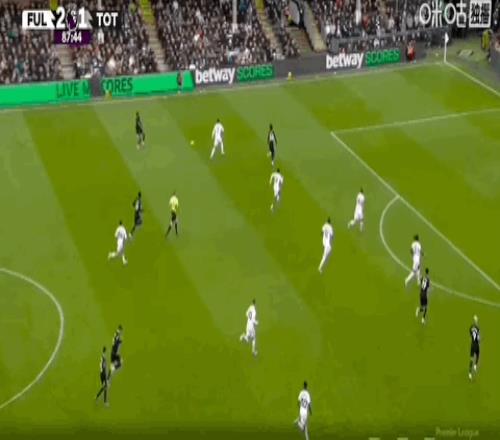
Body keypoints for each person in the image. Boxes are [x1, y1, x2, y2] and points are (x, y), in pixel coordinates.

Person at [469, 315, 480, 380]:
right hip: (476, 345)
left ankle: (470, 373)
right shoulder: (477, 328)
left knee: (471, 359)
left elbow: (470, 334)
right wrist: (479, 339)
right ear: (476, 321)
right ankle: (475, 365)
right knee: (478, 354)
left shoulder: (471, 327)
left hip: (472, 345)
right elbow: (478, 338)